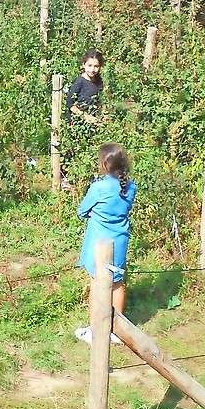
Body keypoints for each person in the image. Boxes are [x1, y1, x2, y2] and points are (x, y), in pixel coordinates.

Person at [73, 143, 137, 345]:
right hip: (120, 241)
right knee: (117, 283)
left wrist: (94, 212)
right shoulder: (131, 187)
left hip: (98, 243)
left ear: (103, 165)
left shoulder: (98, 188)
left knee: (96, 283)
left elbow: (82, 211)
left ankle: (95, 330)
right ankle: (116, 330)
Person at [65, 50, 104, 125]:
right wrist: (85, 117)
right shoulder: (80, 82)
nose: (92, 70)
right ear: (84, 65)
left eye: (96, 66)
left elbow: (98, 101)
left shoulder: (98, 81)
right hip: (77, 121)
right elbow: (70, 103)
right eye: (89, 66)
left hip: (92, 120)